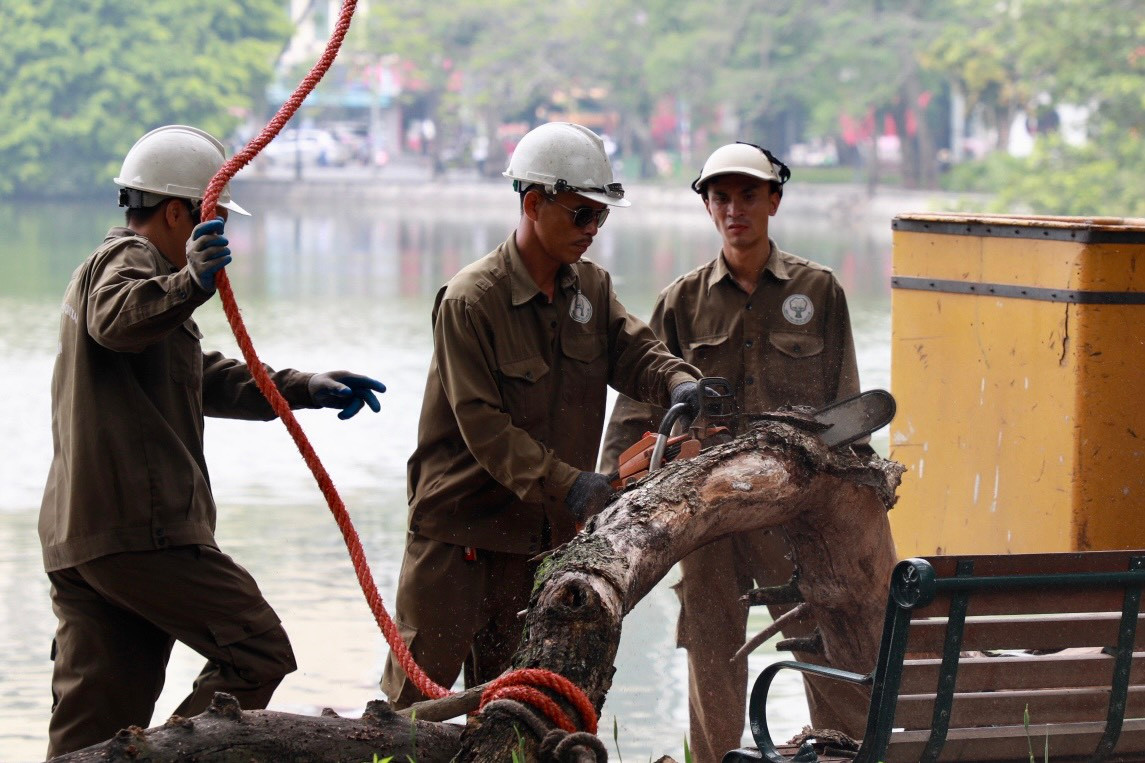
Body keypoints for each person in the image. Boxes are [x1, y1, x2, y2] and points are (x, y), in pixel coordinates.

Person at [39, 125, 388, 757]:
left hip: (86, 537)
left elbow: (206, 379)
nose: (222, 231)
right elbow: (117, 322)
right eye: (215, 217)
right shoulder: (131, 263)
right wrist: (190, 284)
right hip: (141, 532)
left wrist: (305, 387)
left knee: (93, 729)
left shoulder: (141, 285)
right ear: (178, 213)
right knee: (256, 650)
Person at [380, 122, 703, 708]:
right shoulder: (470, 302)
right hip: (459, 541)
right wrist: (572, 485)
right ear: (533, 203)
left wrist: (680, 382)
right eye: (582, 215)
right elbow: (484, 427)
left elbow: (636, 352)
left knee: (519, 712)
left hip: (535, 544)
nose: (593, 231)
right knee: (411, 714)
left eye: (601, 218)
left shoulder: (591, 291)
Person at [600, 142, 871, 762]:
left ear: (774, 199)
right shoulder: (681, 302)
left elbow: (849, 407)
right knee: (713, 655)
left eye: (748, 194)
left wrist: (856, 512)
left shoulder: (819, 291)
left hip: (796, 515)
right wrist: (606, 499)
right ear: (706, 206)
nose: (734, 209)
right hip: (709, 517)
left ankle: (845, 757)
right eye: (720, 197)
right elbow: (638, 413)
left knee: (819, 644)